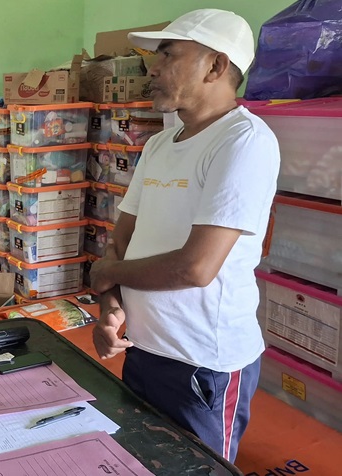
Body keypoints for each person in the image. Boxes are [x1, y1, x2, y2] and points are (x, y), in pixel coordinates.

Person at [89, 9, 280, 463]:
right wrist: (110, 306)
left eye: (169, 55)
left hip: (203, 363)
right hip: (145, 347)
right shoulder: (159, 144)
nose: (152, 68)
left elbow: (196, 268)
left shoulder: (243, 141)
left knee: (200, 469)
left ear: (215, 66)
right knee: (144, 459)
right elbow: (122, 239)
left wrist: (105, 272)